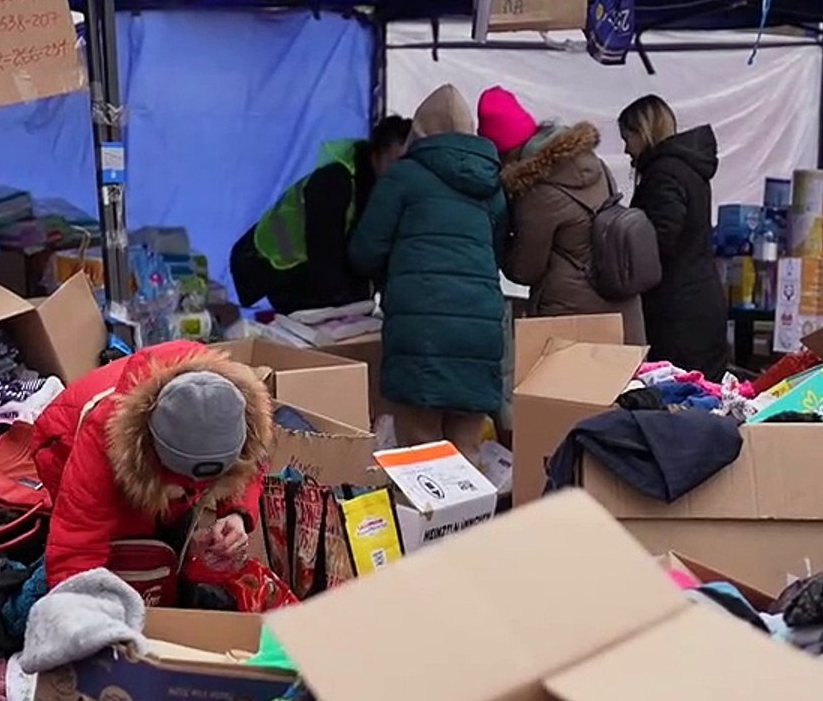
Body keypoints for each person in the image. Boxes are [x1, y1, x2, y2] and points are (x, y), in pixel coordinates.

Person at [32, 340, 272, 591]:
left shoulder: (236, 410)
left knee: (166, 555)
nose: (196, 488)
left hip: (148, 458)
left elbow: (248, 464)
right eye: (181, 479)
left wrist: (235, 514)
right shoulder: (101, 443)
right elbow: (77, 549)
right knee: (130, 558)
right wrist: (86, 607)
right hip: (61, 442)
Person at [349, 85, 508, 463]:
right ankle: (472, 505)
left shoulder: (403, 177)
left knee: (421, 453)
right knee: (467, 453)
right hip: (480, 331)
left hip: (422, 334)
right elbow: (497, 253)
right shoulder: (492, 185)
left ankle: (427, 506)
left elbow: (365, 252)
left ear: (419, 130)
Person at [486, 100, 646, 344]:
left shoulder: (538, 192)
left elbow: (525, 270)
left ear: (506, 154)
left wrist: (500, 236)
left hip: (570, 320)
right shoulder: (595, 164)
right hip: (622, 311)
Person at [230, 116, 413, 313]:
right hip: (268, 264)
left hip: (303, 267)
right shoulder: (335, 181)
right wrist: (349, 306)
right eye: (394, 163)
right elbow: (324, 259)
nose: (401, 174)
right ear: (375, 155)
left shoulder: (383, 191)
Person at [618, 94, 727, 376]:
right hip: (699, 299)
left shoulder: (663, 173)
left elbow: (661, 238)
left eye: (627, 137)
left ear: (642, 131)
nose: (626, 149)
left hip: (677, 309)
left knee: (676, 389)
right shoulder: (688, 169)